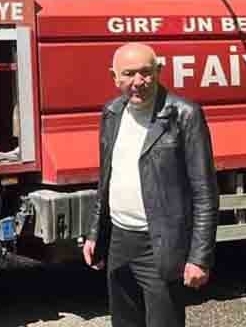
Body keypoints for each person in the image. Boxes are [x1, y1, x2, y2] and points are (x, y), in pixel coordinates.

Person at [84, 43, 219, 327]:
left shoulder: (184, 114)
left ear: (159, 71)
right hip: (120, 242)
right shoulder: (111, 112)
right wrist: (96, 233)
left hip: (160, 245)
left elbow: (205, 193)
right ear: (114, 77)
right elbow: (106, 178)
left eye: (146, 73)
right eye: (129, 74)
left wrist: (199, 257)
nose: (138, 82)